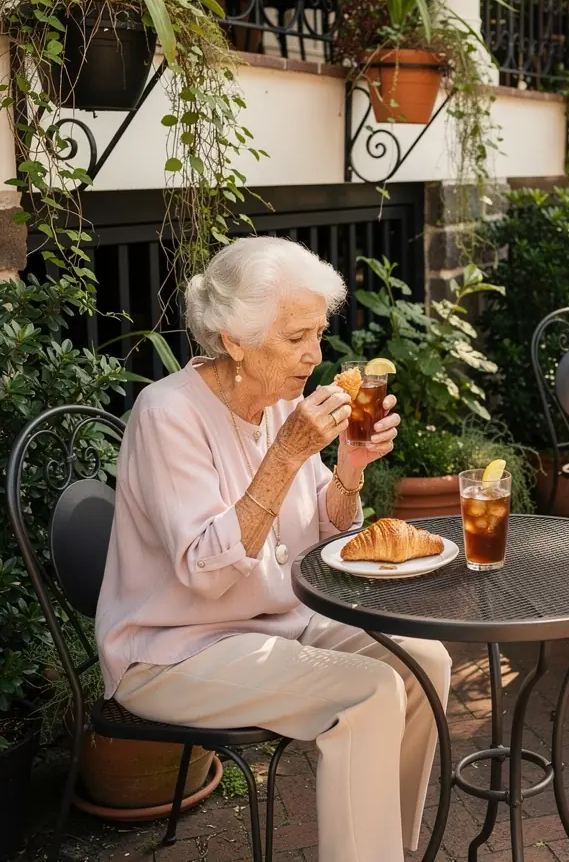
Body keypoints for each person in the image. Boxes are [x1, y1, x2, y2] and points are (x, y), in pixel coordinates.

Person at [96, 237, 451, 861]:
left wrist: (350, 467)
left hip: (279, 626)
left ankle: (386, 848)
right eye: (295, 338)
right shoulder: (167, 414)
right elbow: (207, 573)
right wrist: (287, 453)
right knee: (370, 693)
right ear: (234, 339)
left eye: (318, 333)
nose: (315, 354)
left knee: (426, 662)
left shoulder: (284, 403)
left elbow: (325, 539)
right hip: (173, 650)